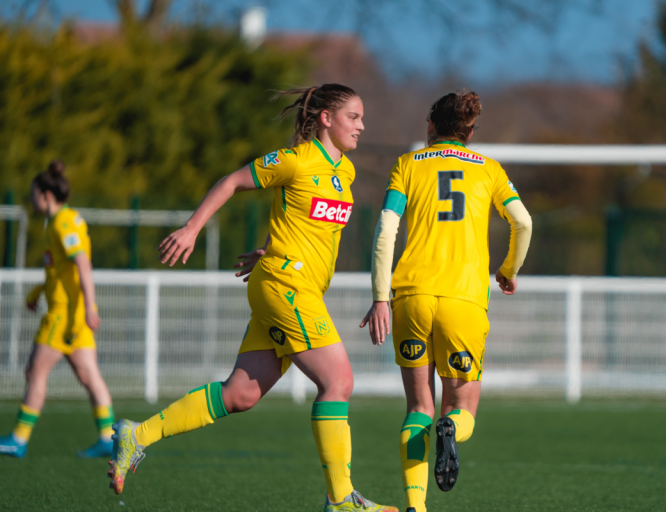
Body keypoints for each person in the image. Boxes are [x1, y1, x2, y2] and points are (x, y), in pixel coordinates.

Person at [107, 84, 398, 512]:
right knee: (338, 382)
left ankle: (138, 434)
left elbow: (297, 218)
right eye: (354, 117)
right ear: (326, 119)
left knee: (239, 394)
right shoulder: (294, 160)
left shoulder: (346, 173)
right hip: (287, 287)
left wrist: (269, 245)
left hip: (293, 285)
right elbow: (232, 182)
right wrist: (191, 228)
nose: (362, 125)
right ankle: (341, 500)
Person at [360, 89, 533, 512]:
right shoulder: (489, 170)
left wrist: (381, 297)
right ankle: (451, 427)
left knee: (418, 406)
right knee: (461, 407)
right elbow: (522, 221)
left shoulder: (406, 165)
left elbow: (386, 232)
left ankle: (416, 508)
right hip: (464, 301)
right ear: (470, 131)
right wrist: (508, 271)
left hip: (412, 296)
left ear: (431, 125)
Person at [0, 160, 115, 459]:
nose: (31, 200)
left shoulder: (63, 223)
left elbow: (82, 264)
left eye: (33, 194)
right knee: (90, 376)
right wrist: (38, 292)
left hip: (64, 316)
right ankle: (108, 437)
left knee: (34, 372)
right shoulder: (65, 220)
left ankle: (19, 439)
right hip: (73, 312)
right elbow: (60, 271)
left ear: (46, 195)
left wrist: (89, 306)